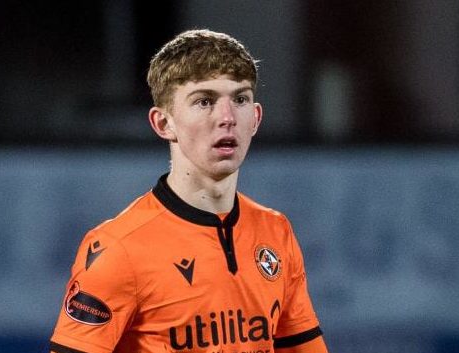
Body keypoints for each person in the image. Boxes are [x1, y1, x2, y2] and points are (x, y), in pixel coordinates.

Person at [49, 29, 329, 353]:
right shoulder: (119, 249)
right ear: (163, 123)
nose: (227, 118)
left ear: (255, 118)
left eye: (240, 99)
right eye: (204, 101)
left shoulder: (275, 232)